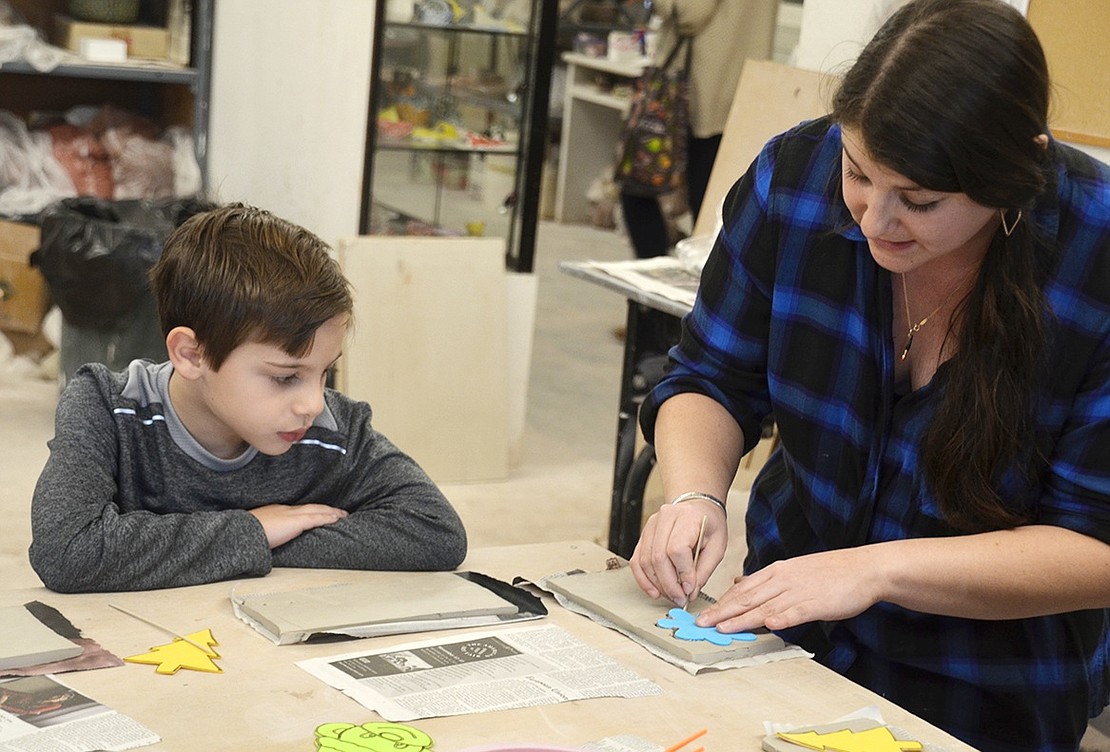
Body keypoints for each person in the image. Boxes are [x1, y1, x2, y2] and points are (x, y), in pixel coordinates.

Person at [628, 1, 1110, 750]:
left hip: (989, 694)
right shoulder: (793, 177)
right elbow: (709, 375)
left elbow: (1097, 547)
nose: (872, 219)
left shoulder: (1096, 253)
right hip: (783, 649)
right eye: (858, 172)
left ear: (1021, 171)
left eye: (919, 200)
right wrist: (693, 493)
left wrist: (876, 571)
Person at [29, 204, 468, 593]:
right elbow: (68, 551)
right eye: (285, 377)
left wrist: (269, 539)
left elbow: (435, 530)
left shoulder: (332, 431)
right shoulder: (107, 407)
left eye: (326, 372)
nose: (313, 404)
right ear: (191, 354)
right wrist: (255, 530)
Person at [619, 0, 778, 259]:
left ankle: (652, 294)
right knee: (709, 211)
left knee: (638, 186)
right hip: (736, 90)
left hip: (700, 92)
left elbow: (689, 10)